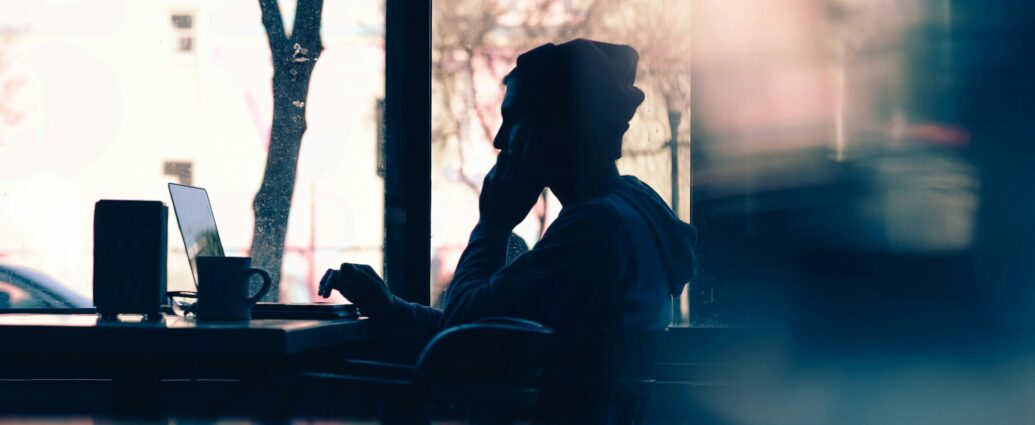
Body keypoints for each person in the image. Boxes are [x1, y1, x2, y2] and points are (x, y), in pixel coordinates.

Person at [319, 39, 697, 362]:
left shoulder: (592, 229)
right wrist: (390, 308)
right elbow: (488, 324)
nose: (500, 140)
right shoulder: (629, 209)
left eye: (514, 119)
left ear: (558, 126)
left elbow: (459, 337)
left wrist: (493, 226)